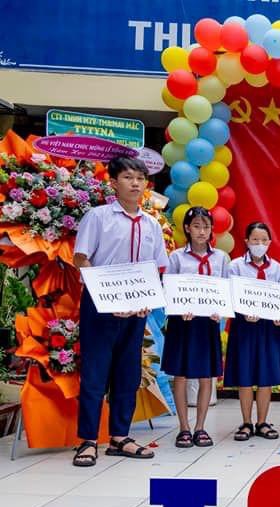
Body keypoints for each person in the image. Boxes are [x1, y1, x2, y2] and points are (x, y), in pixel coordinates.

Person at [72, 156, 169, 467]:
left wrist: (147, 297)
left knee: (128, 373)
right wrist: (107, 295)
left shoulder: (152, 224)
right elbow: (81, 258)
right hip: (101, 307)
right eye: (128, 177)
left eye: (140, 178)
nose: (135, 183)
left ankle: (120, 437)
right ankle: (88, 440)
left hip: (137, 308)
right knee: (95, 373)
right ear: (113, 182)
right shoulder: (98, 217)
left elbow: (157, 267)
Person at [161, 206, 229, 449]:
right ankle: (184, 428)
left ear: (212, 230)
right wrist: (178, 308)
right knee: (180, 374)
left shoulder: (220, 258)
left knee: (205, 375)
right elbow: (169, 288)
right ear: (187, 229)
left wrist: (220, 309)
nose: (201, 231)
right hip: (182, 323)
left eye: (206, 227)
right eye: (197, 226)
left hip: (207, 323)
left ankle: (200, 427)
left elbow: (226, 289)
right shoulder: (176, 257)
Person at [224, 222, 280, 441]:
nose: (259, 244)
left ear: (269, 242)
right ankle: (246, 422)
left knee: (265, 376)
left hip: (269, 328)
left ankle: (262, 422)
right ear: (247, 241)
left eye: (263, 240)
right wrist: (242, 312)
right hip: (244, 327)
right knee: (245, 375)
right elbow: (230, 296)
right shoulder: (235, 266)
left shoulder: (277, 269)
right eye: (255, 240)